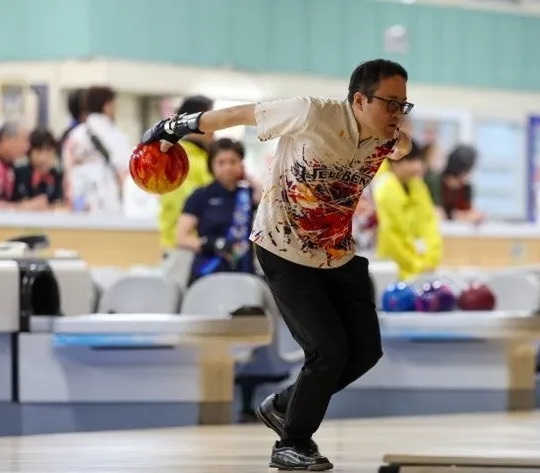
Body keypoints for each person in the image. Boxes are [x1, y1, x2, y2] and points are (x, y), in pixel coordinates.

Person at [141, 58, 412, 471]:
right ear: (359, 100)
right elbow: (241, 114)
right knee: (328, 351)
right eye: (390, 103)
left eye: (403, 105)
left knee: (365, 352)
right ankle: (293, 443)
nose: (397, 113)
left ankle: (284, 406)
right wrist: (176, 126)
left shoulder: (386, 136)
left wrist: (400, 139)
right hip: (284, 249)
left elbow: (403, 147)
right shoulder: (312, 113)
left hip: (337, 254)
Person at [175, 138, 254, 286]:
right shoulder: (201, 195)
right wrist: (210, 243)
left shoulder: (247, 193)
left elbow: (267, 196)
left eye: (233, 161)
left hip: (243, 272)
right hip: (208, 272)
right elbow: (181, 238)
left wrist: (246, 176)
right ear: (211, 165)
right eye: (221, 162)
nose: (227, 167)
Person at [374, 139, 442, 280]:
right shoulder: (384, 190)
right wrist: (416, 265)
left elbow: (429, 223)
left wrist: (430, 261)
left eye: (418, 160)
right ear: (394, 161)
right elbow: (392, 235)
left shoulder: (418, 185)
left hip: (423, 270)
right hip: (392, 269)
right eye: (411, 161)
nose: (417, 166)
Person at [159, 95, 216, 254]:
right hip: (182, 248)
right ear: (193, 123)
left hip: (196, 246)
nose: (215, 128)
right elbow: (188, 205)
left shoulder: (204, 157)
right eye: (211, 121)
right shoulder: (180, 159)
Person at [10, 128, 64, 209]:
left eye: (48, 151)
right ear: (29, 152)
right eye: (38, 151)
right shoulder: (18, 173)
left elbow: (60, 203)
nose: (43, 158)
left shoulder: (58, 176)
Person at [438, 144, 485, 223]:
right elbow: (437, 212)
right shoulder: (437, 182)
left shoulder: (466, 188)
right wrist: (454, 215)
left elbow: (468, 212)